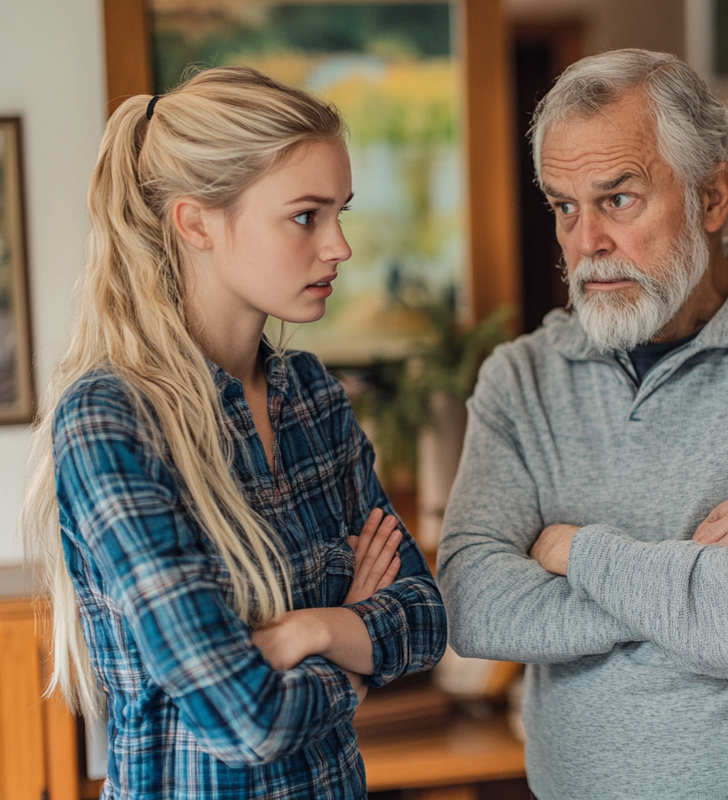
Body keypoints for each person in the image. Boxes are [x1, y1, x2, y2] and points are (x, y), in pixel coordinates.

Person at [437, 49, 728, 800]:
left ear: (711, 195)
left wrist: (573, 549)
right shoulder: (521, 378)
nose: (586, 241)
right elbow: (471, 604)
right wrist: (688, 565)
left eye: (618, 199)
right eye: (564, 205)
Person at [19, 67, 446, 798]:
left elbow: (427, 618)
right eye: (307, 216)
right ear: (196, 223)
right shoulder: (111, 421)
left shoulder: (313, 396)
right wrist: (354, 640)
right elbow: (243, 717)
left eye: (341, 211)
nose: (340, 245)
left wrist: (305, 632)